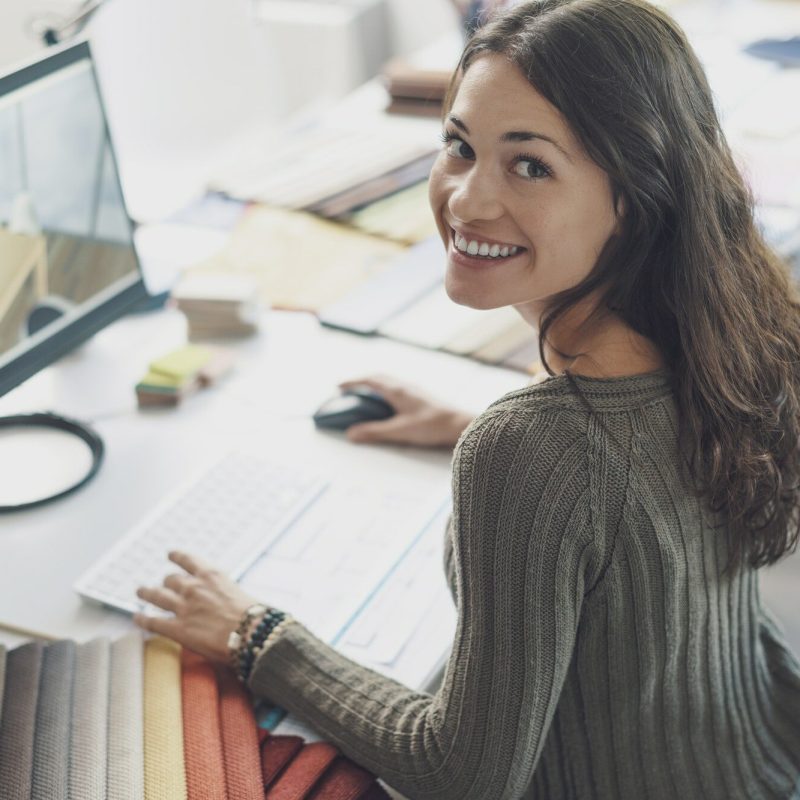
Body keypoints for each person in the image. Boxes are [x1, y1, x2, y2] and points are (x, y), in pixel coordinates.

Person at [134, 0, 800, 796]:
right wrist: (461, 426)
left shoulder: (532, 447)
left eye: (530, 165)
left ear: (634, 196)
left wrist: (255, 635)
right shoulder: (732, 327)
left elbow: (461, 774)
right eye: (459, 146)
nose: (466, 200)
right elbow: (633, 497)